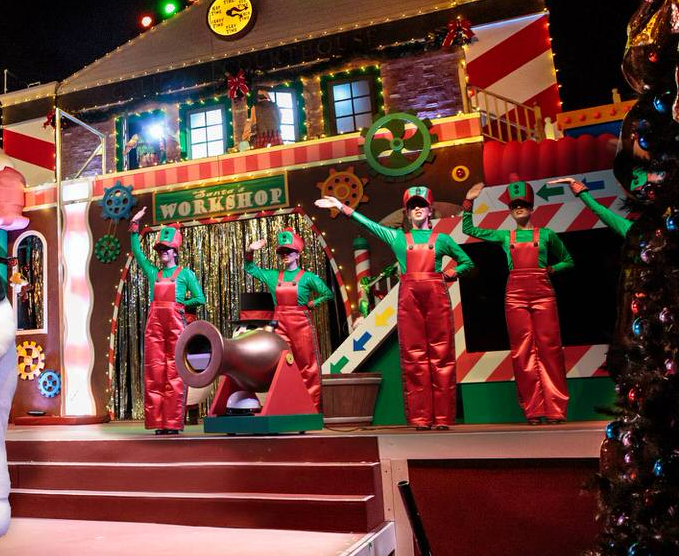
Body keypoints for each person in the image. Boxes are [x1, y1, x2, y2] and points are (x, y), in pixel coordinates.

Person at [316, 186, 474, 429]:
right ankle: (421, 418)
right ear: (408, 213)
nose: (418, 209)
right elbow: (370, 225)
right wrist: (342, 207)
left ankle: (442, 418)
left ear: (430, 210)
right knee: (414, 357)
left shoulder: (442, 240)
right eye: (413, 206)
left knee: (441, 356)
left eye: (421, 204)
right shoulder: (399, 238)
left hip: (436, 296)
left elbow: (467, 262)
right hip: (409, 297)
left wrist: (448, 274)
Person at [463, 180, 575, 424]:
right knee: (522, 353)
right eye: (514, 206)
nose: (519, 208)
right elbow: (469, 230)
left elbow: (568, 260)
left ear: (531, 207)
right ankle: (533, 410)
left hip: (543, 293)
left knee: (550, 349)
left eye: (523, 204)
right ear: (510, 211)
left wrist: (552, 269)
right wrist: (469, 202)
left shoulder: (547, 235)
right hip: (515, 295)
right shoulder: (505, 236)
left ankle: (556, 409)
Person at [128, 208, 206, 434]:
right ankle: (158, 422)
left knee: (174, 373)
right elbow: (137, 252)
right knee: (155, 372)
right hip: (155, 325)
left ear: (175, 251)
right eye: (160, 248)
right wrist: (134, 227)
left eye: (166, 248)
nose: (162, 252)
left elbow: (200, 298)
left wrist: (180, 304)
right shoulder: (155, 273)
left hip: (175, 324)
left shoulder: (185, 274)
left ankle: (172, 423)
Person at [244, 229, 334, 410]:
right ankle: (284, 408)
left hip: (301, 324)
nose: (285, 255)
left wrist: (312, 303)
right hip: (280, 324)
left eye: (289, 251)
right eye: (282, 252)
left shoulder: (308, 277)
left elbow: (328, 294)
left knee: (307, 366)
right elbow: (250, 268)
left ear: (297, 254)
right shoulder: (272, 276)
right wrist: (249, 250)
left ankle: (311, 409)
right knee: (281, 365)